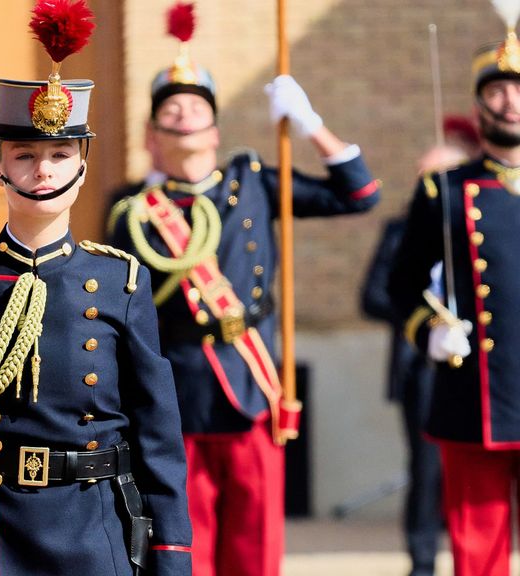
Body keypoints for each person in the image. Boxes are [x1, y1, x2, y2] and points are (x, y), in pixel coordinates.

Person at [0, 1, 192, 574]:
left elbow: (158, 434)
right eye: (25, 156)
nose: (43, 171)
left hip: (91, 525)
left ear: (82, 165)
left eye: (60, 154)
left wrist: (171, 555)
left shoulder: (120, 283)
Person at [106, 3, 380, 575]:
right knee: (188, 539)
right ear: (152, 135)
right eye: (170, 110)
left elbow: (359, 194)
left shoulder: (250, 179)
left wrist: (309, 124)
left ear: (216, 127)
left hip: (251, 381)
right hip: (175, 389)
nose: (183, 117)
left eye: (195, 108)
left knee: (255, 542)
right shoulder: (133, 211)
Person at [388, 13, 520, 575]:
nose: (511, 101)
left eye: (518, 89)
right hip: (476, 395)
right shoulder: (444, 188)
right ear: (479, 105)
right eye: (498, 89)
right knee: (478, 553)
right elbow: (401, 284)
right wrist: (432, 331)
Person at [361, 116, 478, 576]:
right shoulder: (399, 229)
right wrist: (428, 322)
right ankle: (423, 564)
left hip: (478, 360)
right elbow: (375, 295)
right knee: (426, 469)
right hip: (422, 365)